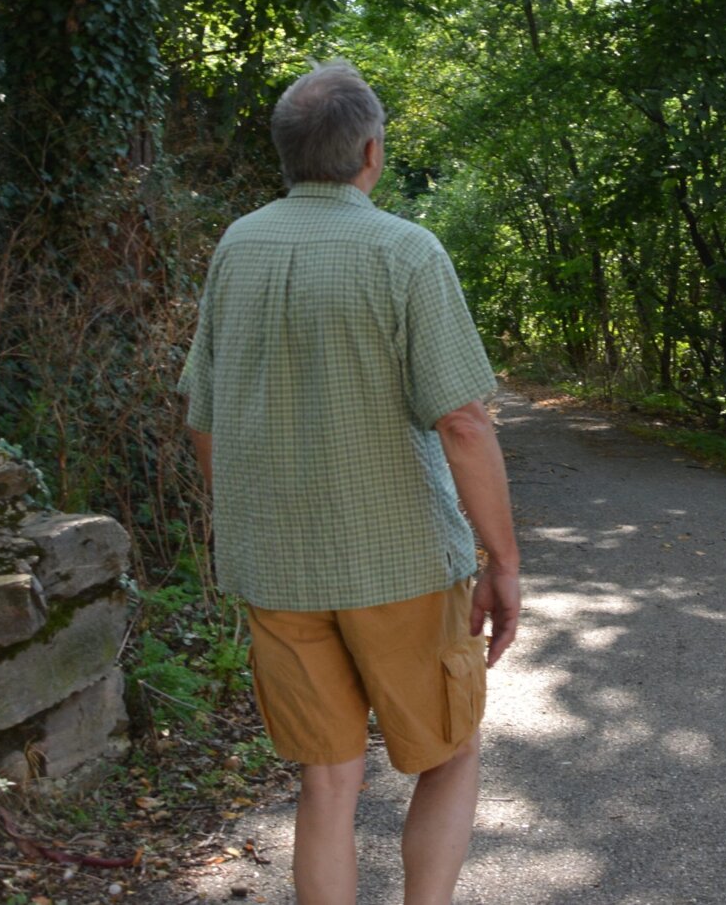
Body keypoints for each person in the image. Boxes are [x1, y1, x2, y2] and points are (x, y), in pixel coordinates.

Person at [180, 60, 521, 905]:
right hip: (398, 563)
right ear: (370, 151)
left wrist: (246, 530)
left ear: (286, 153)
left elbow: (204, 416)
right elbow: (464, 421)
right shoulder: (405, 251)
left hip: (279, 572)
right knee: (449, 753)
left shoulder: (237, 246)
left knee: (327, 780)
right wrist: (502, 559)